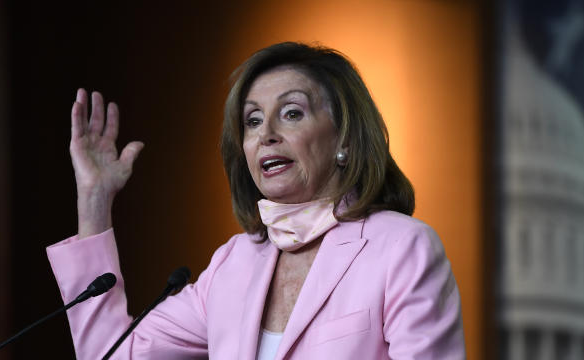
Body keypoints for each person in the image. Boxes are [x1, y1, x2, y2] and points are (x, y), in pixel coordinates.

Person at [47, 42, 465, 359]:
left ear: (346, 138)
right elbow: (112, 354)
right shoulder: (234, 263)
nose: (266, 133)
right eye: (252, 120)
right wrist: (94, 200)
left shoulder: (402, 248)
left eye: (292, 113)